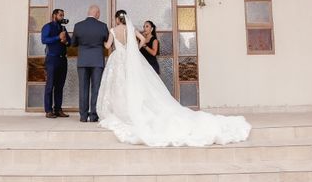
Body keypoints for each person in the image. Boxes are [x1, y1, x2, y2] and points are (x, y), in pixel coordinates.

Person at [97, 10, 252, 147]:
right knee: (136, 84)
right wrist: (133, 50)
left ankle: (122, 111)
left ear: (117, 19)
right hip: (130, 59)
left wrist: (103, 41)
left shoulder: (113, 29)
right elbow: (143, 40)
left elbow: (107, 46)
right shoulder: (130, 28)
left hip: (118, 59)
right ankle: (134, 108)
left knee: (119, 85)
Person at [71, 5, 109, 122]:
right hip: (97, 60)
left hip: (83, 61)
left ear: (89, 12)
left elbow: (73, 43)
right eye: (99, 13)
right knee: (96, 88)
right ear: (97, 13)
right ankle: (93, 116)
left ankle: (83, 116)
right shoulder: (102, 26)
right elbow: (107, 42)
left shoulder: (78, 26)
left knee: (83, 88)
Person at [40, 9, 70, 118]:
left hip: (63, 60)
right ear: (54, 16)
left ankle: (58, 109)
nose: (62, 17)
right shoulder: (47, 27)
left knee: (59, 86)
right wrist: (58, 37)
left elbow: (69, 42)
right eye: (60, 15)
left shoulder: (63, 28)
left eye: (63, 15)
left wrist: (65, 41)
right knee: (50, 85)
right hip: (52, 60)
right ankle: (48, 111)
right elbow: (44, 40)